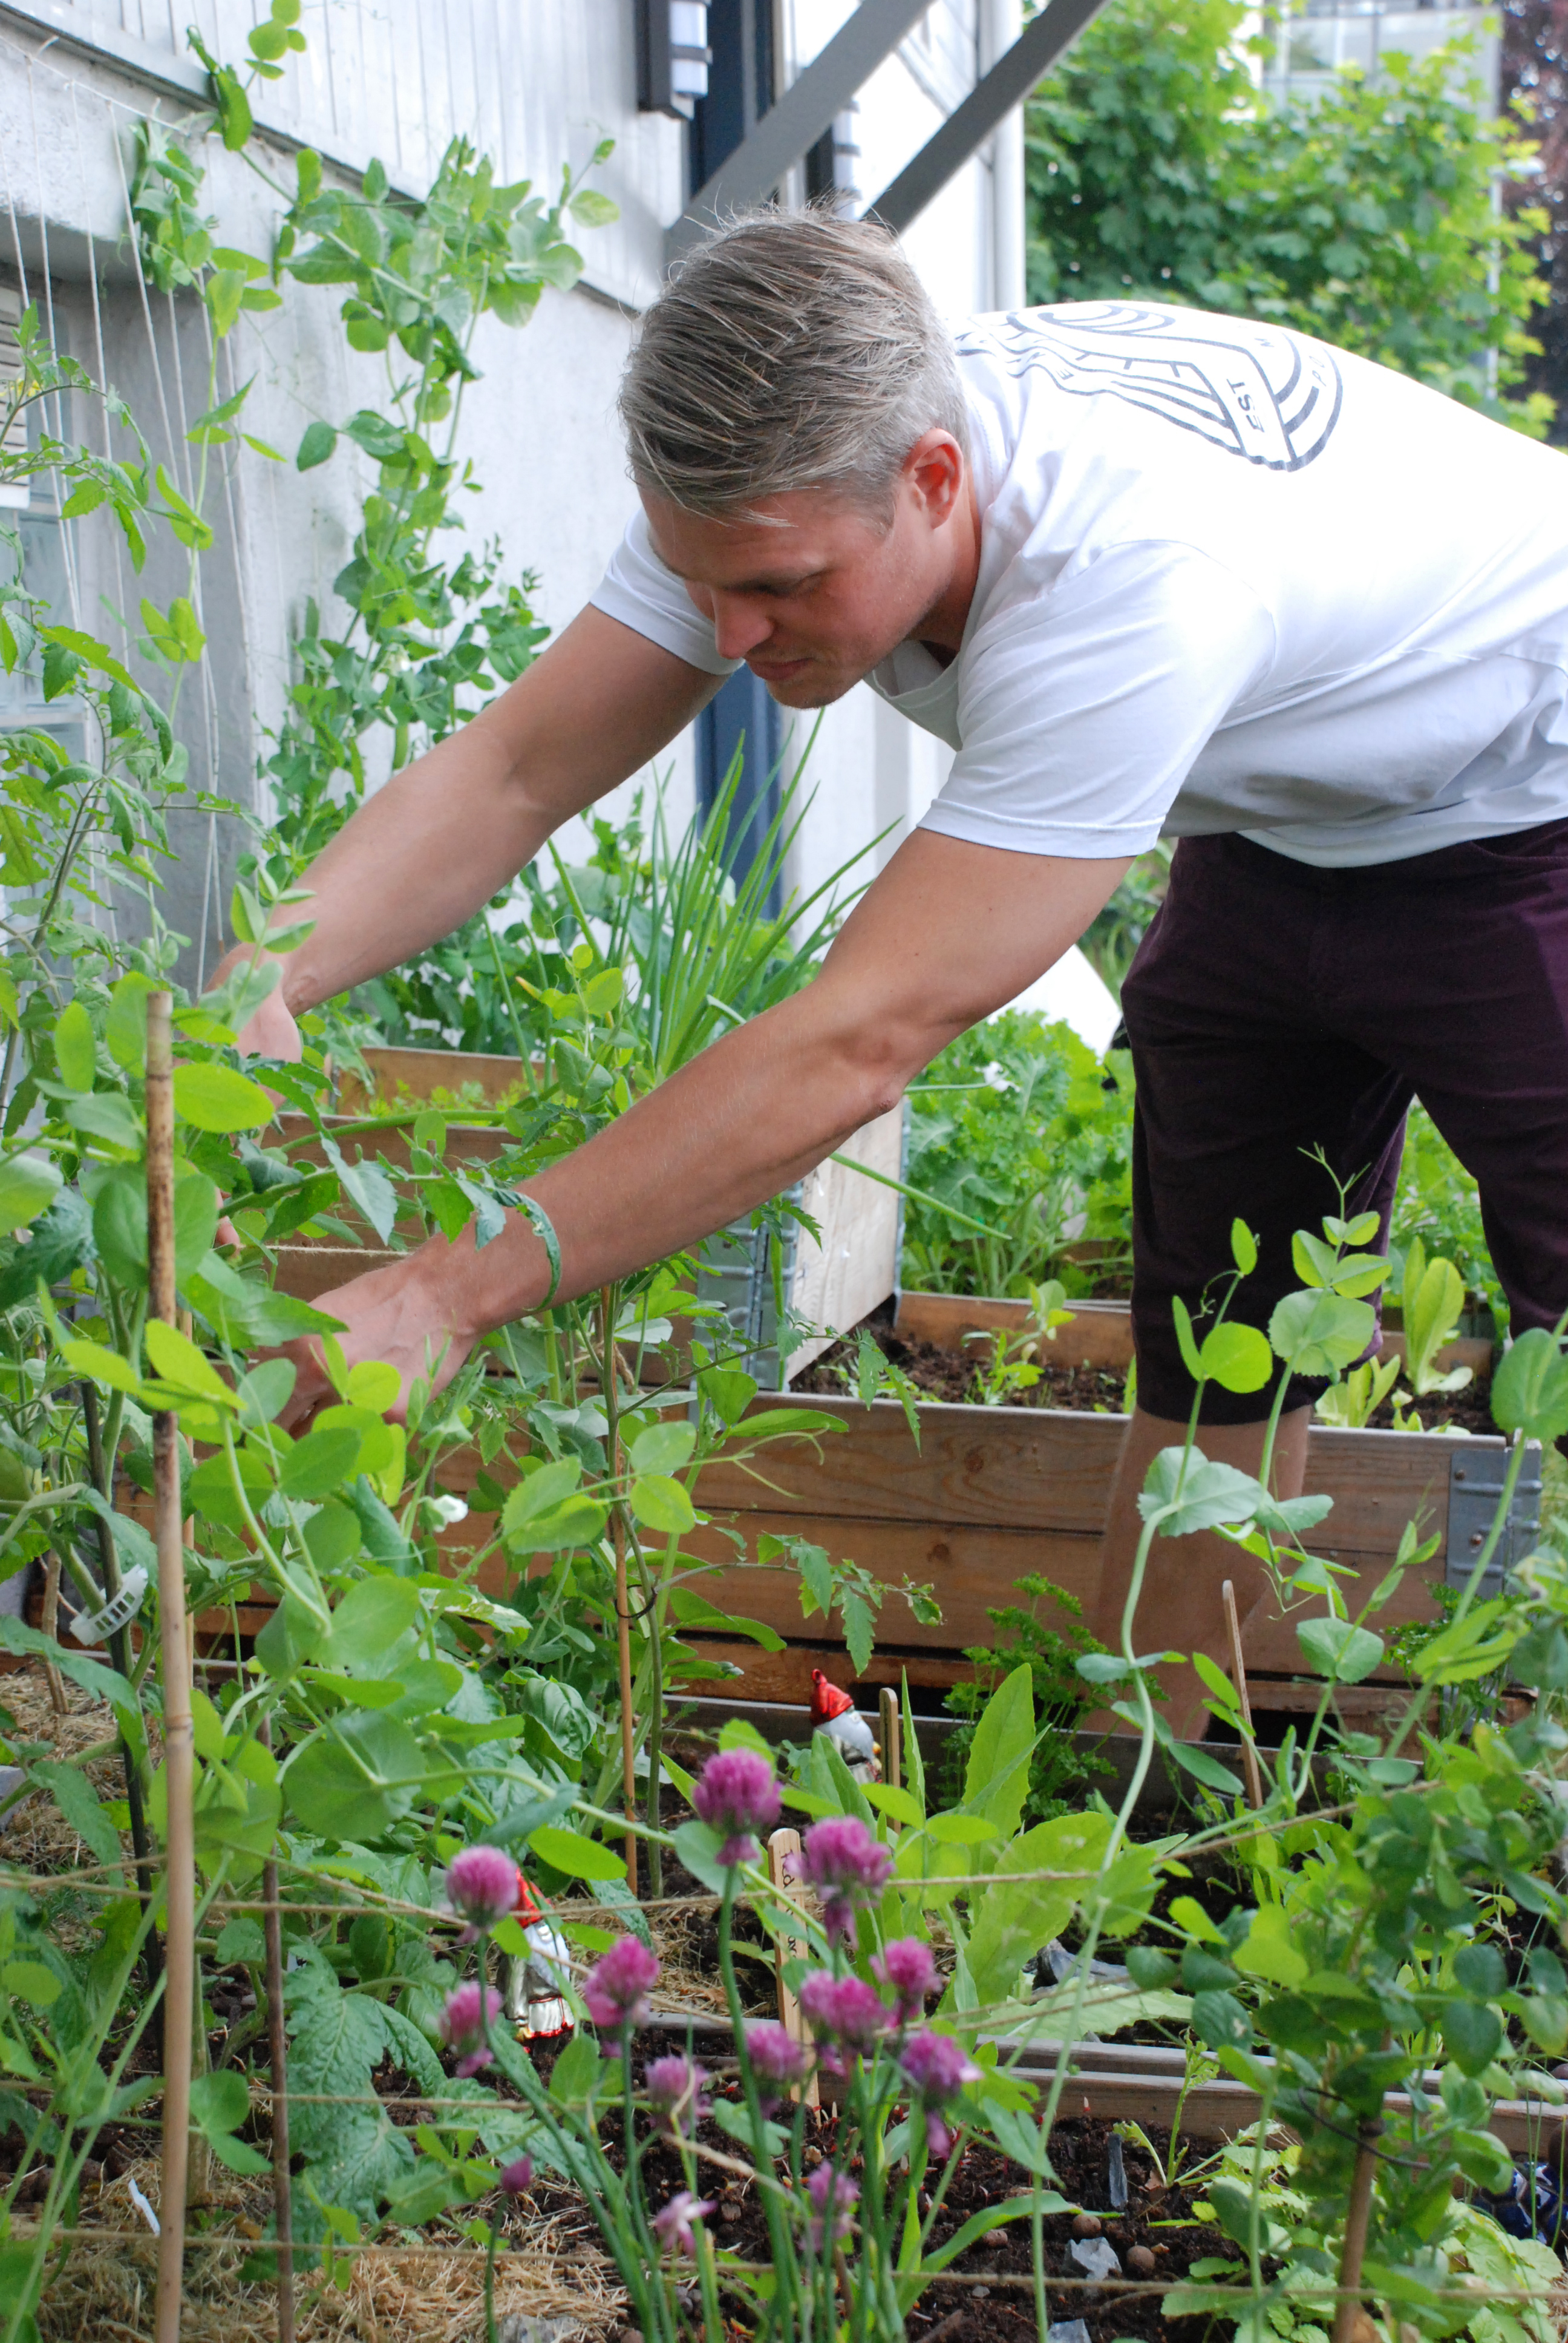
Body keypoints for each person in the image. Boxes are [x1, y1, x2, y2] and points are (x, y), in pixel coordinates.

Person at [217, 210, 1568, 1737]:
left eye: (780, 588)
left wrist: (447, 1294)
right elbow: (519, 768)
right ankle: (1151, 1786)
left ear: (934, 479)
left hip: (1537, 781)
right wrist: (265, 968)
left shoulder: (1126, 591)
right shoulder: (770, 478)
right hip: (1288, 816)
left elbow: (861, 1040)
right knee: (1218, 1343)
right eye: (698, 577)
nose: (727, 632)